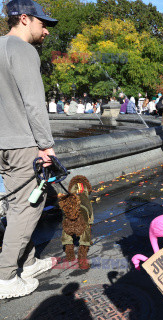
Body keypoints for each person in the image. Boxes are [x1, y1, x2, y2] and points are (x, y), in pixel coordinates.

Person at [0, 0, 58, 299]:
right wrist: (46, 146)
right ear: (24, 19)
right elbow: (33, 103)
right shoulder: (24, 50)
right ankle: (6, 277)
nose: (45, 30)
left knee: (16, 205)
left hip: (3, 142)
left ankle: (29, 260)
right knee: (27, 208)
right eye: (42, 23)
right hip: (22, 143)